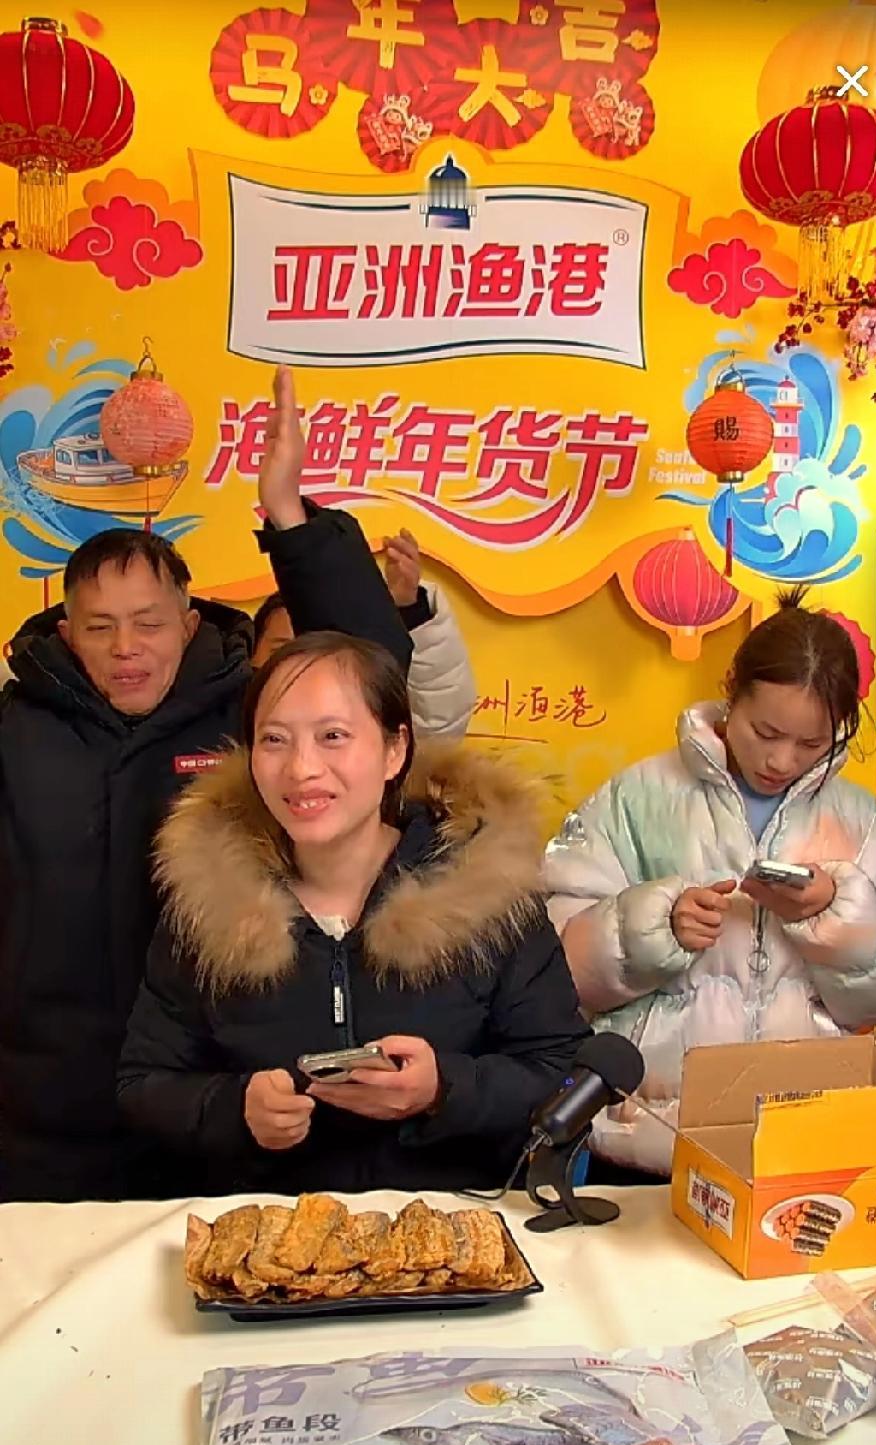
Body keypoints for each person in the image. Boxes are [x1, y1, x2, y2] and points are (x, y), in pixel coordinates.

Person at [0, 367, 434, 1202]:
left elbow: (371, 663)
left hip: (216, 1097)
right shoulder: (17, 729)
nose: (127, 647)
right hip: (41, 1106)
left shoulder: (249, 716)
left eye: (149, 623)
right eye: (100, 627)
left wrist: (288, 516)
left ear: (189, 622)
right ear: (67, 633)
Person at [118, 632, 589, 1194]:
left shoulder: (488, 890)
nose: (301, 769)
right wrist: (236, 1109)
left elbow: (563, 1069)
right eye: (274, 740)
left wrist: (444, 1089)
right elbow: (143, 1084)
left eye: (333, 736)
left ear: (395, 750)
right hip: (273, 1232)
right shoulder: (207, 901)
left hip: (450, 1228)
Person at [545, 588, 876, 1176]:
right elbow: (551, 968)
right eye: (766, 731)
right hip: (649, 1129)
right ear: (732, 689)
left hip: (800, 1135)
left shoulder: (861, 821)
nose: (782, 761)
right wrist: (656, 928)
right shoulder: (636, 797)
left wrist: (835, 918)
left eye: (811, 744)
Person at [253, 527, 477, 739]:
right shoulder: (235, 722)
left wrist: (404, 613)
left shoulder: (370, 736)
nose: (300, 671)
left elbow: (436, 725)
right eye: (282, 652)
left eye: (319, 658)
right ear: (252, 655)